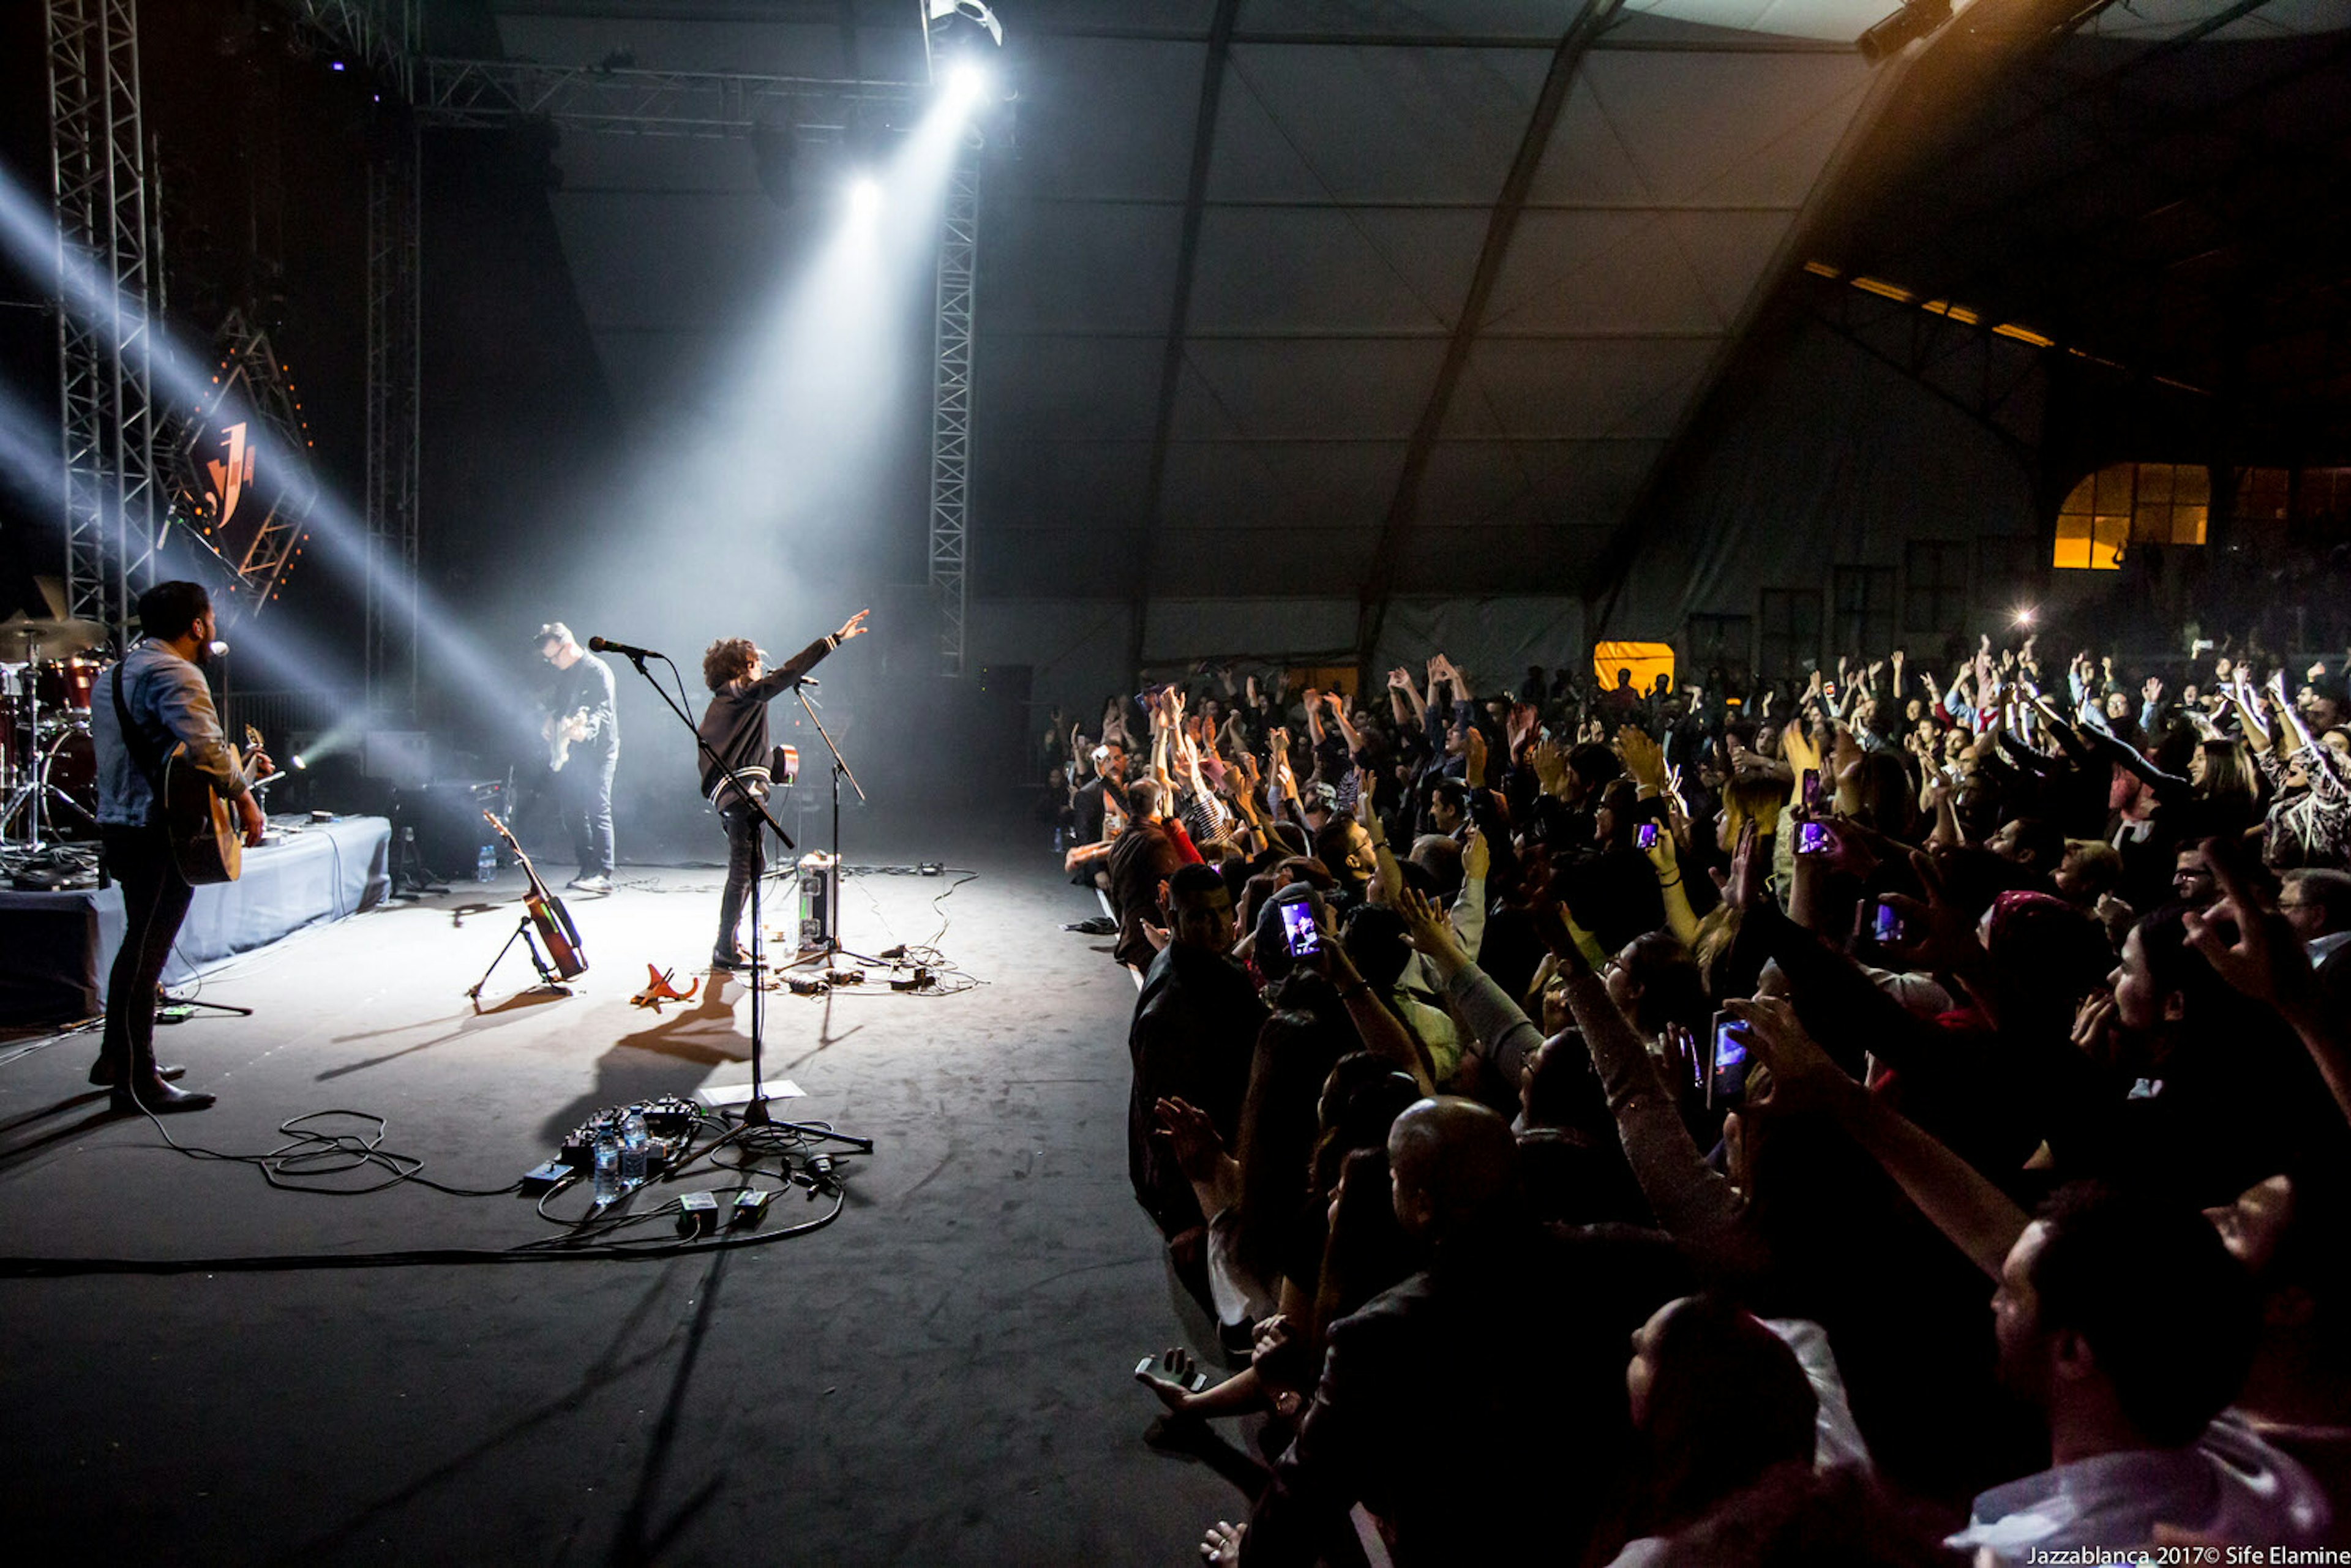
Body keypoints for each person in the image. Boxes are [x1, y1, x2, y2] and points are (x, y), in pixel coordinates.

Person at [89, 580, 272, 1113]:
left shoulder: (115, 674)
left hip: (121, 824)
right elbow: (205, 749)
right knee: (146, 954)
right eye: (210, 619)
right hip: (155, 830)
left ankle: (114, 1058)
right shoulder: (176, 671)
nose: (213, 629)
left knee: (137, 944)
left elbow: (164, 753)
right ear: (197, 625)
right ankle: (137, 1082)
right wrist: (245, 799)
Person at [695, 610, 869, 970]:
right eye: (757, 663)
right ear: (745, 666)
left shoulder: (729, 703)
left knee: (753, 866)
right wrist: (833, 641)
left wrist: (775, 763)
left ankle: (730, 943)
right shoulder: (741, 693)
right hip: (741, 798)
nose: (762, 669)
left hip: (737, 797)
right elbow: (786, 673)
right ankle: (724, 949)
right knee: (743, 870)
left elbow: (739, 755)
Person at [535, 622, 619, 893]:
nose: (552, 663)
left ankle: (604, 873)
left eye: (553, 656)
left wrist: (584, 732)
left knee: (598, 806)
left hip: (600, 749)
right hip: (573, 752)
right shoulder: (566, 672)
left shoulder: (597, 671)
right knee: (571, 810)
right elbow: (560, 703)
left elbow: (601, 712)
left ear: (568, 645)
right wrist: (551, 718)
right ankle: (587, 867)